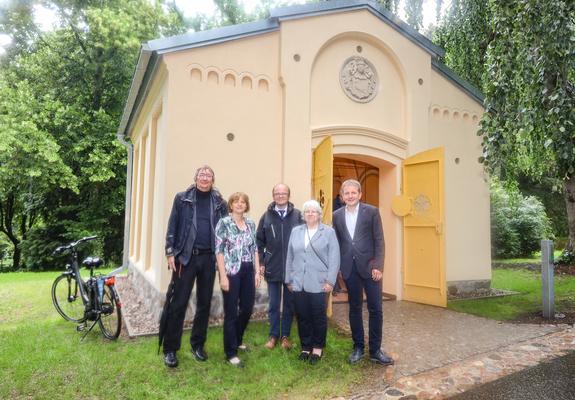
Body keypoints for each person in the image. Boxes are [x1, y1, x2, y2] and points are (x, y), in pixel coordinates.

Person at [161, 165, 227, 368]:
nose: (205, 178)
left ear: (213, 180)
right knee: (178, 304)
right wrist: (170, 252)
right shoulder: (182, 198)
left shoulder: (219, 202)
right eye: (201, 174)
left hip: (209, 259)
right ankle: (171, 349)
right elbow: (173, 225)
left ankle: (197, 344)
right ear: (196, 178)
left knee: (204, 304)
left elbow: (224, 231)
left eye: (208, 175)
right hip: (186, 259)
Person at [332, 179, 393, 366]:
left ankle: (375, 350)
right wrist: (339, 268)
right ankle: (358, 347)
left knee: (376, 309)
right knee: (355, 308)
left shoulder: (372, 212)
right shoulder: (336, 215)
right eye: (346, 193)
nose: (350, 196)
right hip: (349, 270)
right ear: (342, 196)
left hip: (370, 268)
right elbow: (337, 243)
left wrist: (378, 266)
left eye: (353, 193)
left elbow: (379, 241)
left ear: (359, 194)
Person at [285, 200, 340, 365]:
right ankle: (305, 346)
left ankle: (317, 347)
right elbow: (290, 256)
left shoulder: (328, 232)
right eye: (307, 211)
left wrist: (331, 281)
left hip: (319, 282)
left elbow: (334, 258)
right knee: (302, 316)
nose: (310, 214)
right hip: (299, 282)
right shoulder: (296, 231)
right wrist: (289, 279)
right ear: (303, 214)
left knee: (318, 316)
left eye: (313, 211)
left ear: (319, 214)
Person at [215, 192, 261, 368]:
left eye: (243, 202)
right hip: (231, 271)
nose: (240, 204)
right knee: (231, 312)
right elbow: (218, 251)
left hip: (248, 269)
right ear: (231, 205)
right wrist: (223, 276)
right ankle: (231, 352)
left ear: (246, 205)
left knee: (247, 308)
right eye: (236, 202)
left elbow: (255, 248)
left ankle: (238, 339)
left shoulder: (250, 223)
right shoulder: (224, 223)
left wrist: (257, 272)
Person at [256, 183, 302, 350]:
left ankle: (285, 336)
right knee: (274, 304)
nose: (280, 196)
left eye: (283, 193)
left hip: (293, 269)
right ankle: (273, 336)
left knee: (289, 305)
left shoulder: (298, 216)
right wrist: (261, 262)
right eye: (277, 193)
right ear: (273, 195)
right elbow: (258, 242)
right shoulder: (266, 216)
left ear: (288, 195)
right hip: (272, 268)